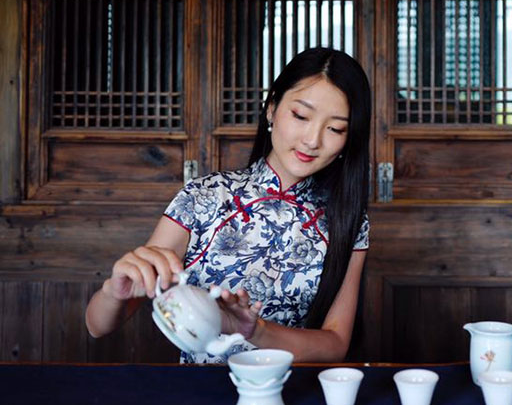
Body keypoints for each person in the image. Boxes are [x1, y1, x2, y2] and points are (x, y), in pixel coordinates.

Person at [85, 47, 371, 364]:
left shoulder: (348, 220)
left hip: (291, 393)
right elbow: (97, 326)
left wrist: (255, 329)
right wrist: (114, 291)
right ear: (272, 108)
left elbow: (335, 343)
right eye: (301, 116)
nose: (312, 140)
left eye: (335, 128)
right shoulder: (205, 196)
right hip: (200, 394)